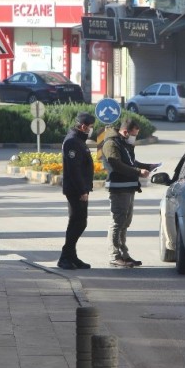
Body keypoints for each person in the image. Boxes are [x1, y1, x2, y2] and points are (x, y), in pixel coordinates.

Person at [101, 118, 158, 268]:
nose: (135, 137)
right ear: (125, 131)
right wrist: (138, 172)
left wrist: (147, 166)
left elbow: (131, 161)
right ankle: (114, 255)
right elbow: (117, 164)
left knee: (125, 223)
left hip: (128, 188)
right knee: (117, 222)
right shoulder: (111, 143)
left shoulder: (124, 143)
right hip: (118, 188)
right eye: (134, 134)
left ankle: (124, 255)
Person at [57, 112, 96, 270]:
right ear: (83, 126)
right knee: (77, 223)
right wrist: (82, 190)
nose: (91, 130)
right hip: (75, 190)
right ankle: (65, 257)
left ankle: (71, 256)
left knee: (79, 222)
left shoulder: (79, 139)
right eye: (90, 127)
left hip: (81, 189)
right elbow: (75, 170)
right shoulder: (73, 141)